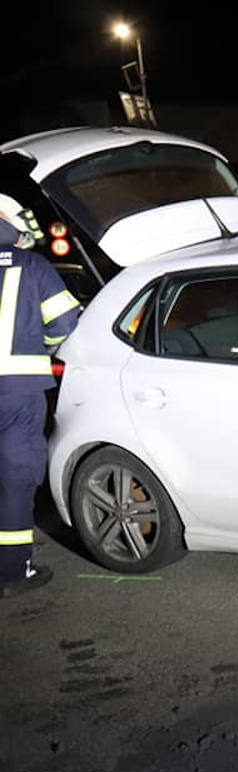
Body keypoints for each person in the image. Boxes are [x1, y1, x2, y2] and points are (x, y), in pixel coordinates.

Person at [0, 194, 80, 598]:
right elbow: (65, 324)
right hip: (18, 393)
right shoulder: (32, 267)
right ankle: (13, 572)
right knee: (16, 477)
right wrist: (40, 348)